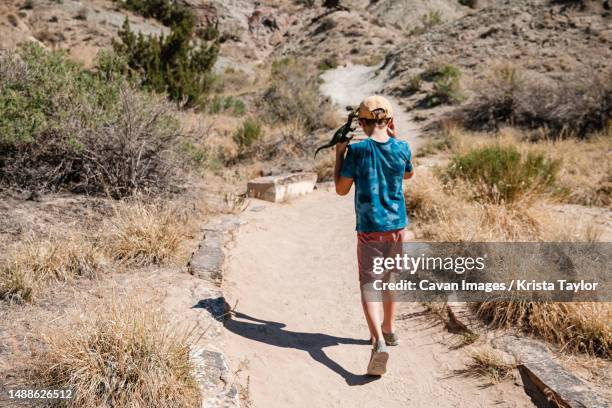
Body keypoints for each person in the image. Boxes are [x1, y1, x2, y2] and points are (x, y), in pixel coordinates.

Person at [333, 95, 414, 376]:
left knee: (370, 284)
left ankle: (378, 341)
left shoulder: (357, 152)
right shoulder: (402, 147)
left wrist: (339, 154)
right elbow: (407, 175)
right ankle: (390, 330)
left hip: (370, 229)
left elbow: (341, 189)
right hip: (397, 227)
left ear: (362, 123)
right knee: (391, 278)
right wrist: (396, 139)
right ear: (390, 121)